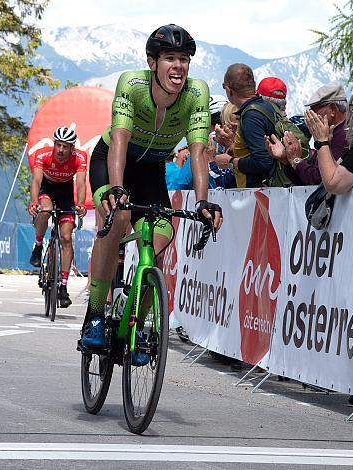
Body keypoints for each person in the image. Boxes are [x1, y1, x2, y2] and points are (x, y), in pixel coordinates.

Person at [81, 24, 222, 362]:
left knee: (160, 236)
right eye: (170, 58)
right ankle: (96, 313)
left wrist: (202, 201)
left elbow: (199, 150)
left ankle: (138, 322)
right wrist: (115, 190)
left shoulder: (196, 94)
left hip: (150, 169)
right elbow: (119, 139)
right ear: (152, 62)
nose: (178, 66)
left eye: (184, 59)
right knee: (118, 220)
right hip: (114, 160)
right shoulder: (132, 85)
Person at [27, 126, 88, 308]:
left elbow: (81, 183)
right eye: (58, 145)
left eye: (65, 147)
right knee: (45, 211)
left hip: (65, 192)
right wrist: (33, 202)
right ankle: (38, 247)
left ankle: (63, 286)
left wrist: (81, 204)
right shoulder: (43, 154)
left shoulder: (80, 157)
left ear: (72, 148)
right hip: (47, 188)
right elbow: (36, 181)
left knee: (67, 237)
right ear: (54, 144)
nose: (61, 150)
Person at [269, 83, 349, 185]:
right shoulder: (330, 134)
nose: (309, 116)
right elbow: (305, 181)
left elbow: (318, 180)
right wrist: (287, 160)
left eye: (315, 110)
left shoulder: (343, 136)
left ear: (333, 109)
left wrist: (295, 160)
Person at [214, 64, 275, 188]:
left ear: (229, 90)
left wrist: (230, 161)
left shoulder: (251, 116)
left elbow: (263, 162)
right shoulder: (267, 106)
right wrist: (232, 144)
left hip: (260, 192)